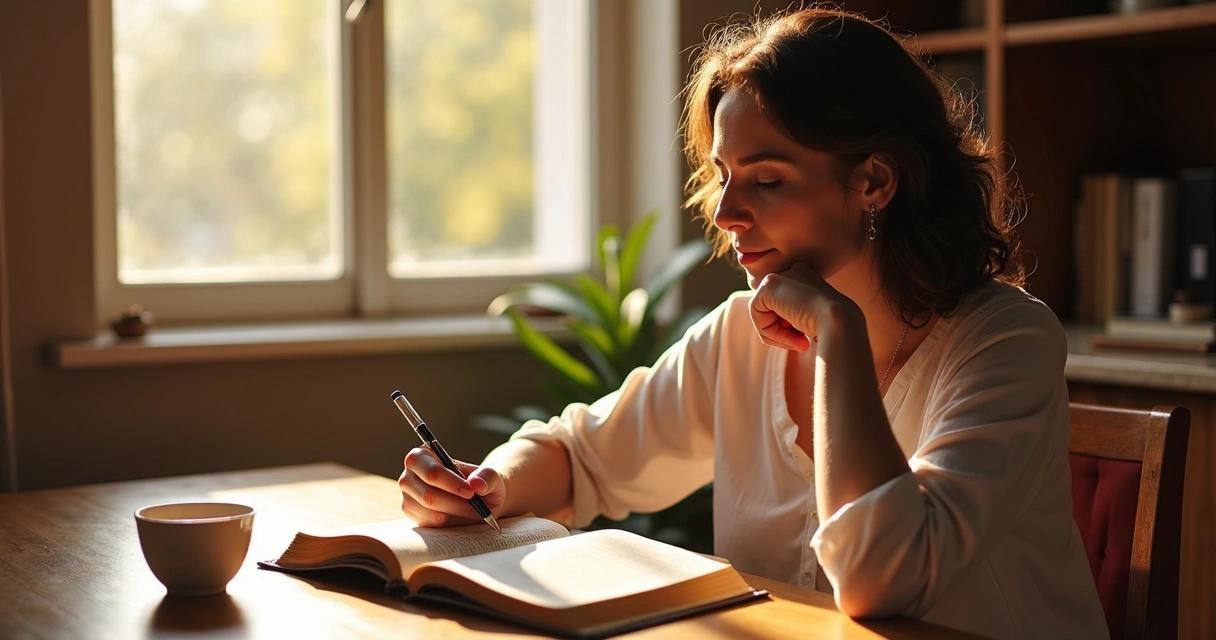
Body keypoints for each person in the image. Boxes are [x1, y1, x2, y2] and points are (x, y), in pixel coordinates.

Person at [397, 7, 1107, 638]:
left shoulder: (1007, 342)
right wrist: (488, 485)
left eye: (766, 180)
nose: (728, 213)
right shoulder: (741, 333)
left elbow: (878, 581)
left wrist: (837, 339)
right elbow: (582, 458)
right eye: (724, 176)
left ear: (875, 183)